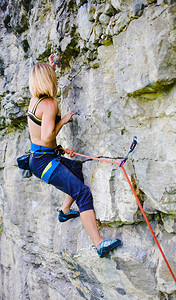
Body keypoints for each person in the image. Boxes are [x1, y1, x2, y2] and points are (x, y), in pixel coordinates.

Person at [27, 54, 122, 257]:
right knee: (83, 193)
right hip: (44, 162)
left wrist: (50, 67)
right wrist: (64, 121)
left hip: (42, 157)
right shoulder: (49, 104)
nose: (54, 78)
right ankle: (99, 245)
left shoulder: (35, 101)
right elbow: (45, 137)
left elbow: (40, 138)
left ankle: (64, 212)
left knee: (77, 170)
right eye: (51, 75)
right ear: (47, 80)